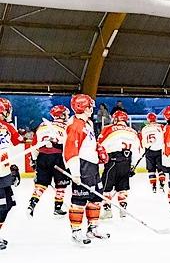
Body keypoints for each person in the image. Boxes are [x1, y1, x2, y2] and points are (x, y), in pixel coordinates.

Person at [64, 94, 106, 245]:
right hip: (82, 166)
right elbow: (70, 151)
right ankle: (76, 232)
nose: (91, 109)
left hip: (92, 165)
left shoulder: (87, 123)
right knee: (79, 199)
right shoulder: (76, 125)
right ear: (82, 107)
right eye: (89, 106)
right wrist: (75, 172)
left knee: (96, 197)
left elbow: (88, 144)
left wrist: (98, 149)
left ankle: (92, 229)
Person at [27, 105, 71, 217]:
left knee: (41, 184)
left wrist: (34, 160)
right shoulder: (67, 126)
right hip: (58, 157)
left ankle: (32, 204)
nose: (67, 116)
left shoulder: (42, 125)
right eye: (65, 114)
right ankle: (58, 208)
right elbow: (68, 145)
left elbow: (34, 145)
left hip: (42, 157)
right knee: (61, 184)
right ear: (61, 115)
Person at [98, 110, 141, 220]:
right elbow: (137, 150)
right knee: (123, 188)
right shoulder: (132, 131)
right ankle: (123, 210)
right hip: (127, 162)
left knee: (106, 188)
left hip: (112, 161)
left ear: (115, 119)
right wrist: (132, 166)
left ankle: (107, 210)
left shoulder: (108, 128)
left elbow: (100, 144)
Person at [0, 97, 22, 249]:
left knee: (8, 204)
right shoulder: (7, 127)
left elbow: (16, 141)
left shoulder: (7, 127)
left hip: (4, 173)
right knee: (1, 206)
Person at [140, 112, 166, 193]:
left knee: (151, 170)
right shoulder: (161, 126)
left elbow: (142, 140)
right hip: (160, 149)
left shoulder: (144, 129)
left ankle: (153, 186)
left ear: (148, 120)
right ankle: (162, 184)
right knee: (161, 169)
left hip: (148, 150)